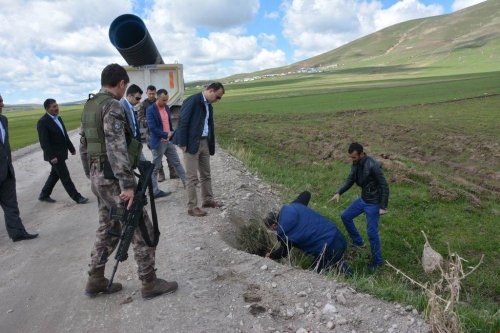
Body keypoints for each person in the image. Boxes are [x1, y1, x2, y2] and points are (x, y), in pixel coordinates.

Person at [79, 64, 177, 299]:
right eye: (125, 86)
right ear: (122, 84)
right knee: (140, 227)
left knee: (109, 226)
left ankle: (96, 278)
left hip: (98, 176)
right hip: (114, 179)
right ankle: (149, 283)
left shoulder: (90, 105)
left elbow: (84, 146)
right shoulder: (112, 106)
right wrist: (127, 185)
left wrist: (91, 174)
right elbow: (116, 148)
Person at [330, 142, 389, 271]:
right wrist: (339, 192)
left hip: (373, 203)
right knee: (345, 216)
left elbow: (384, 185)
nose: (352, 159)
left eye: (354, 157)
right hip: (363, 200)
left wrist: (383, 206)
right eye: (351, 157)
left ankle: (377, 261)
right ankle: (358, 241)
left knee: (372, 233)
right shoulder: (356, 164)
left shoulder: (372, 165)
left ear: (362, 154)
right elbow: (350, 179)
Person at [264, 191, 351, 275]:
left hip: (328, 248)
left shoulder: (285, 235)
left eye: (272, 229)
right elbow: (306, 194)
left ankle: (348, 278)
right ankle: (343, 269)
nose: (275, 231)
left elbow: (283, 252)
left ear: (274, 225)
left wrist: (270, 256)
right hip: (338, 235)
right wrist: (295, 205)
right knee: (335, 259)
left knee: (314, 274)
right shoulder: (294, 206)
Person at [172, 82, 225, 217]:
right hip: (191, 144)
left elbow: (208, 124)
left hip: (204, 142)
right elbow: (183, 121)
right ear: (211, 91)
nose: (218, 100)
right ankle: (192, 207)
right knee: (192, 177)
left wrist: (210, 142)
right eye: (218, 97)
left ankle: (207, 200)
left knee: (206, 174)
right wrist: (183, 142)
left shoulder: (208, 105)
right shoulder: (193, 100)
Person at [0, 93, 39, 242]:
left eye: (2, 101)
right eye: (0, 101)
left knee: (11, 206)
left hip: (7, 171)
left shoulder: (3, 120)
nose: (2, 104)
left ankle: (17, 233)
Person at [37, 98, 88, 204]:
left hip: (61, 153)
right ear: (47, 109)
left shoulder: (58, 119)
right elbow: (44, 143)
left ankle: (44, 194)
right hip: (54, 156)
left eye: (57, 106)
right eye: (54, 107)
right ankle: (77, 197)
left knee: (54, 175)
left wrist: (71, 148)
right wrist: (51, 156)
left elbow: (64, 135)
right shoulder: (42, 122)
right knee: (65, 177)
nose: (57, 108)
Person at [146, 88, 186, 198]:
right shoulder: (150, 110)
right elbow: (152, 128)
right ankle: (154, 191)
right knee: (156, 168)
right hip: (158, 143)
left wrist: (171, 134)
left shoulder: (167, 107)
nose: (165, 102)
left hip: (168, 142)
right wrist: (165, 134)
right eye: (163, 100)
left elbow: (168, 123)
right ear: (157, 98)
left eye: (167, 100)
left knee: (177, 163)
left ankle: (187, 184)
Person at [137, 85, 175, 181]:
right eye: (150, 93)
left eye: (153, 93)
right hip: (151, 134)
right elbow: (140, 118)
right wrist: (150, 122)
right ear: (146, 93)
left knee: (169, 152)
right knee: (157, 156)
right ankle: (161, 174)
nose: (151, 95)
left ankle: (173, 172)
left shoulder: (160, 101)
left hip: (164, 132)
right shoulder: (143, 104)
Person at [119, 84, 146, 161]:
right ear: (130, 96)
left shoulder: (131, 107)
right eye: (137, 98)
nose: (139, 101)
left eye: (140, 98)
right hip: (127, 145)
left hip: (134, 144)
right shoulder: (121, 106)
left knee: (144, 166)